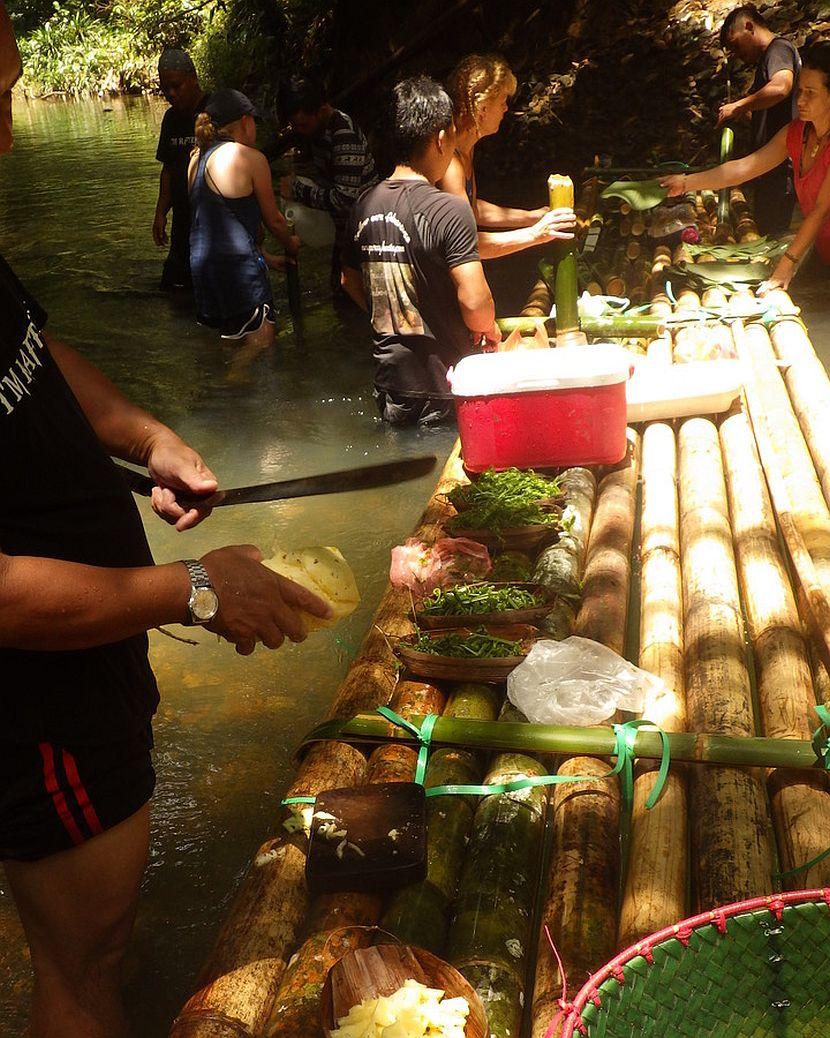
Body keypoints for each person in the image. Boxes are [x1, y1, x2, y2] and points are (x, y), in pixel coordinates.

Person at [0, 8, 331, 1035]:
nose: (7, 128)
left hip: (85, 652)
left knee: (96, 944)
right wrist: (191, 585)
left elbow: (34, 357)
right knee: (84, 959)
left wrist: (147, 441)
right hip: (34, 693)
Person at [340, 76, 501, 426]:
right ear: (441, 139)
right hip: (444, 385)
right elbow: (475, 304)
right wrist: (489, 327)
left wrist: (393, 311)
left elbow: (348, 280)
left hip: (391, 387)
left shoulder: (363, 204)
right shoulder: (449, 210)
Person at [661, 42, 830, 293]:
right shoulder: (796, 133)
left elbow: (820, 210)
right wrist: (686, 182)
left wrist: (787, 264)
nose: (801, 100)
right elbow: (744, 168)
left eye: (811, 93)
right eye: (800, 91)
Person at [188, 89, 299, 372]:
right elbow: (274, 221)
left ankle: (226, 388)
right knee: (261, 341)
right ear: (246, 121)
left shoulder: (195, 160)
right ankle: (229, 384)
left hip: (203, 270)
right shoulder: (250, 158)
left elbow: (217, 220)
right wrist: (292, 243)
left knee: (230, 339)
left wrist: (265, 257)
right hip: (238, 270)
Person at [438, 54, 575, 258]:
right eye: (502, 101)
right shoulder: (450, 163)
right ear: (483, 108)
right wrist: (536, 233)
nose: (506, 108)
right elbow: (465, 243)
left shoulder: (466, 148)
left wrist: (530, 217)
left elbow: (471, 209)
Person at [278, 77, 378, 292]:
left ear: (322, 110)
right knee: (342, 296)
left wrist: (297, 190)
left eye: (303, 125)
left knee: (358, 299)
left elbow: (344, 199)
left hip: (365, 231)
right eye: (296, 126)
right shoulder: (318, 133)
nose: (300, 131)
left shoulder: (344, 135)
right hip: (345, 231)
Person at [717, 4, 800, 236]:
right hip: (771, 170)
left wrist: (739, 104)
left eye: (735, 44)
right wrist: (741, 114)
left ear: (749, 26)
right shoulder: (768, 58)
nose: (737, 54)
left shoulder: (779, 49)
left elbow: (782, 87)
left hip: (780, 172)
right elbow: (769, 110)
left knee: (775, 238)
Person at [153, 49, 207, 290]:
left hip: (210, 218)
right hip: (182, 218)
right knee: (173, 287)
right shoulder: (171, 119)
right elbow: (169, 169)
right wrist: (160, 213)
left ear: (192, 78)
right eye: (166, 89)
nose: (171, 94)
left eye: (176, 86)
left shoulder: (214, 111)